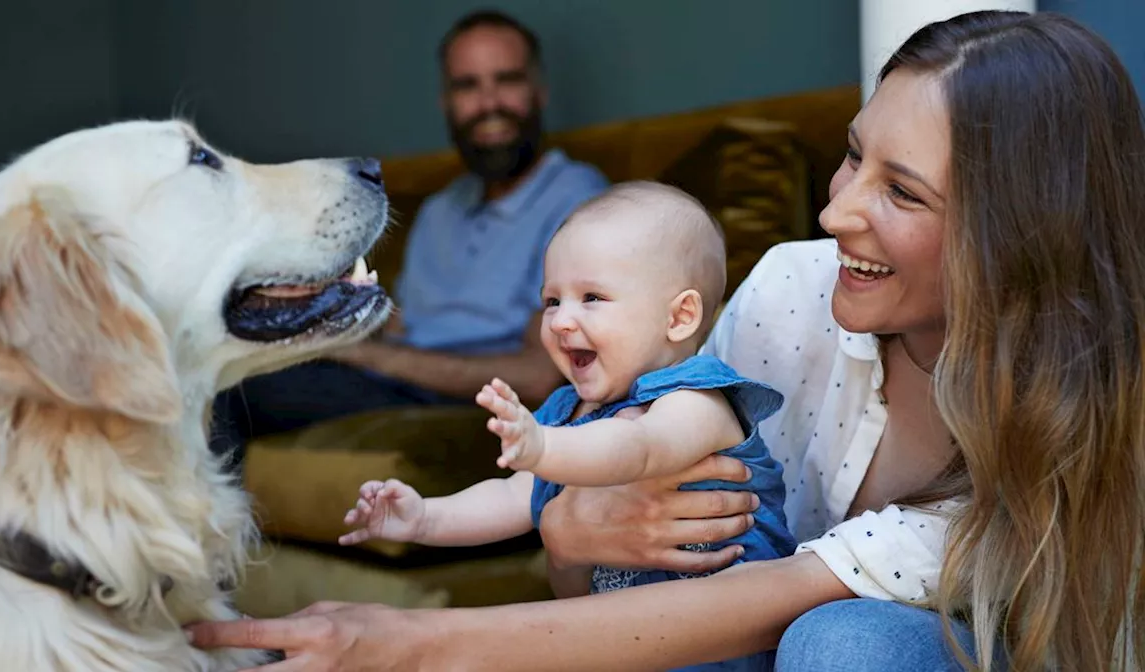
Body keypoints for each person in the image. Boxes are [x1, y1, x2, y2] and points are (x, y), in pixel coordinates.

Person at [187, 10, 1145, 671]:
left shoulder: (1059, 422)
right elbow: (617, 570)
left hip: (857, 648)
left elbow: (768, 604)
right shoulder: (788, 291)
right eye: (855, 153)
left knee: (848, 641)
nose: (834, 206)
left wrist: (403, 642)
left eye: (902, 191)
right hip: (737, 642)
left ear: (1013, 235)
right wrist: (568, 531)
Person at [337, 182, 796, 672]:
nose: (559, 321)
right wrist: (424, 519)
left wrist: (543, 445)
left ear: (679, 317)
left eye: (591, 297)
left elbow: (637, 446)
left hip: (723, 647)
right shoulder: (567, 410)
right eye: (552, 300)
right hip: (626, 645)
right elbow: (511, 498)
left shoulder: (697, 399)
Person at [209, 9, 608, 459]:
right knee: (220, 364)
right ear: (446, 102)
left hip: (459, 399)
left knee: (230, 390)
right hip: (384, 382)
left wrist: (363, 355)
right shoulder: (439, 210)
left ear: (539, 92)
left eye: (508, 79)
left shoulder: (579, 200)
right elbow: (403, 324)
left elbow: (540, 375)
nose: (489, 102)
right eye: (467, 86)